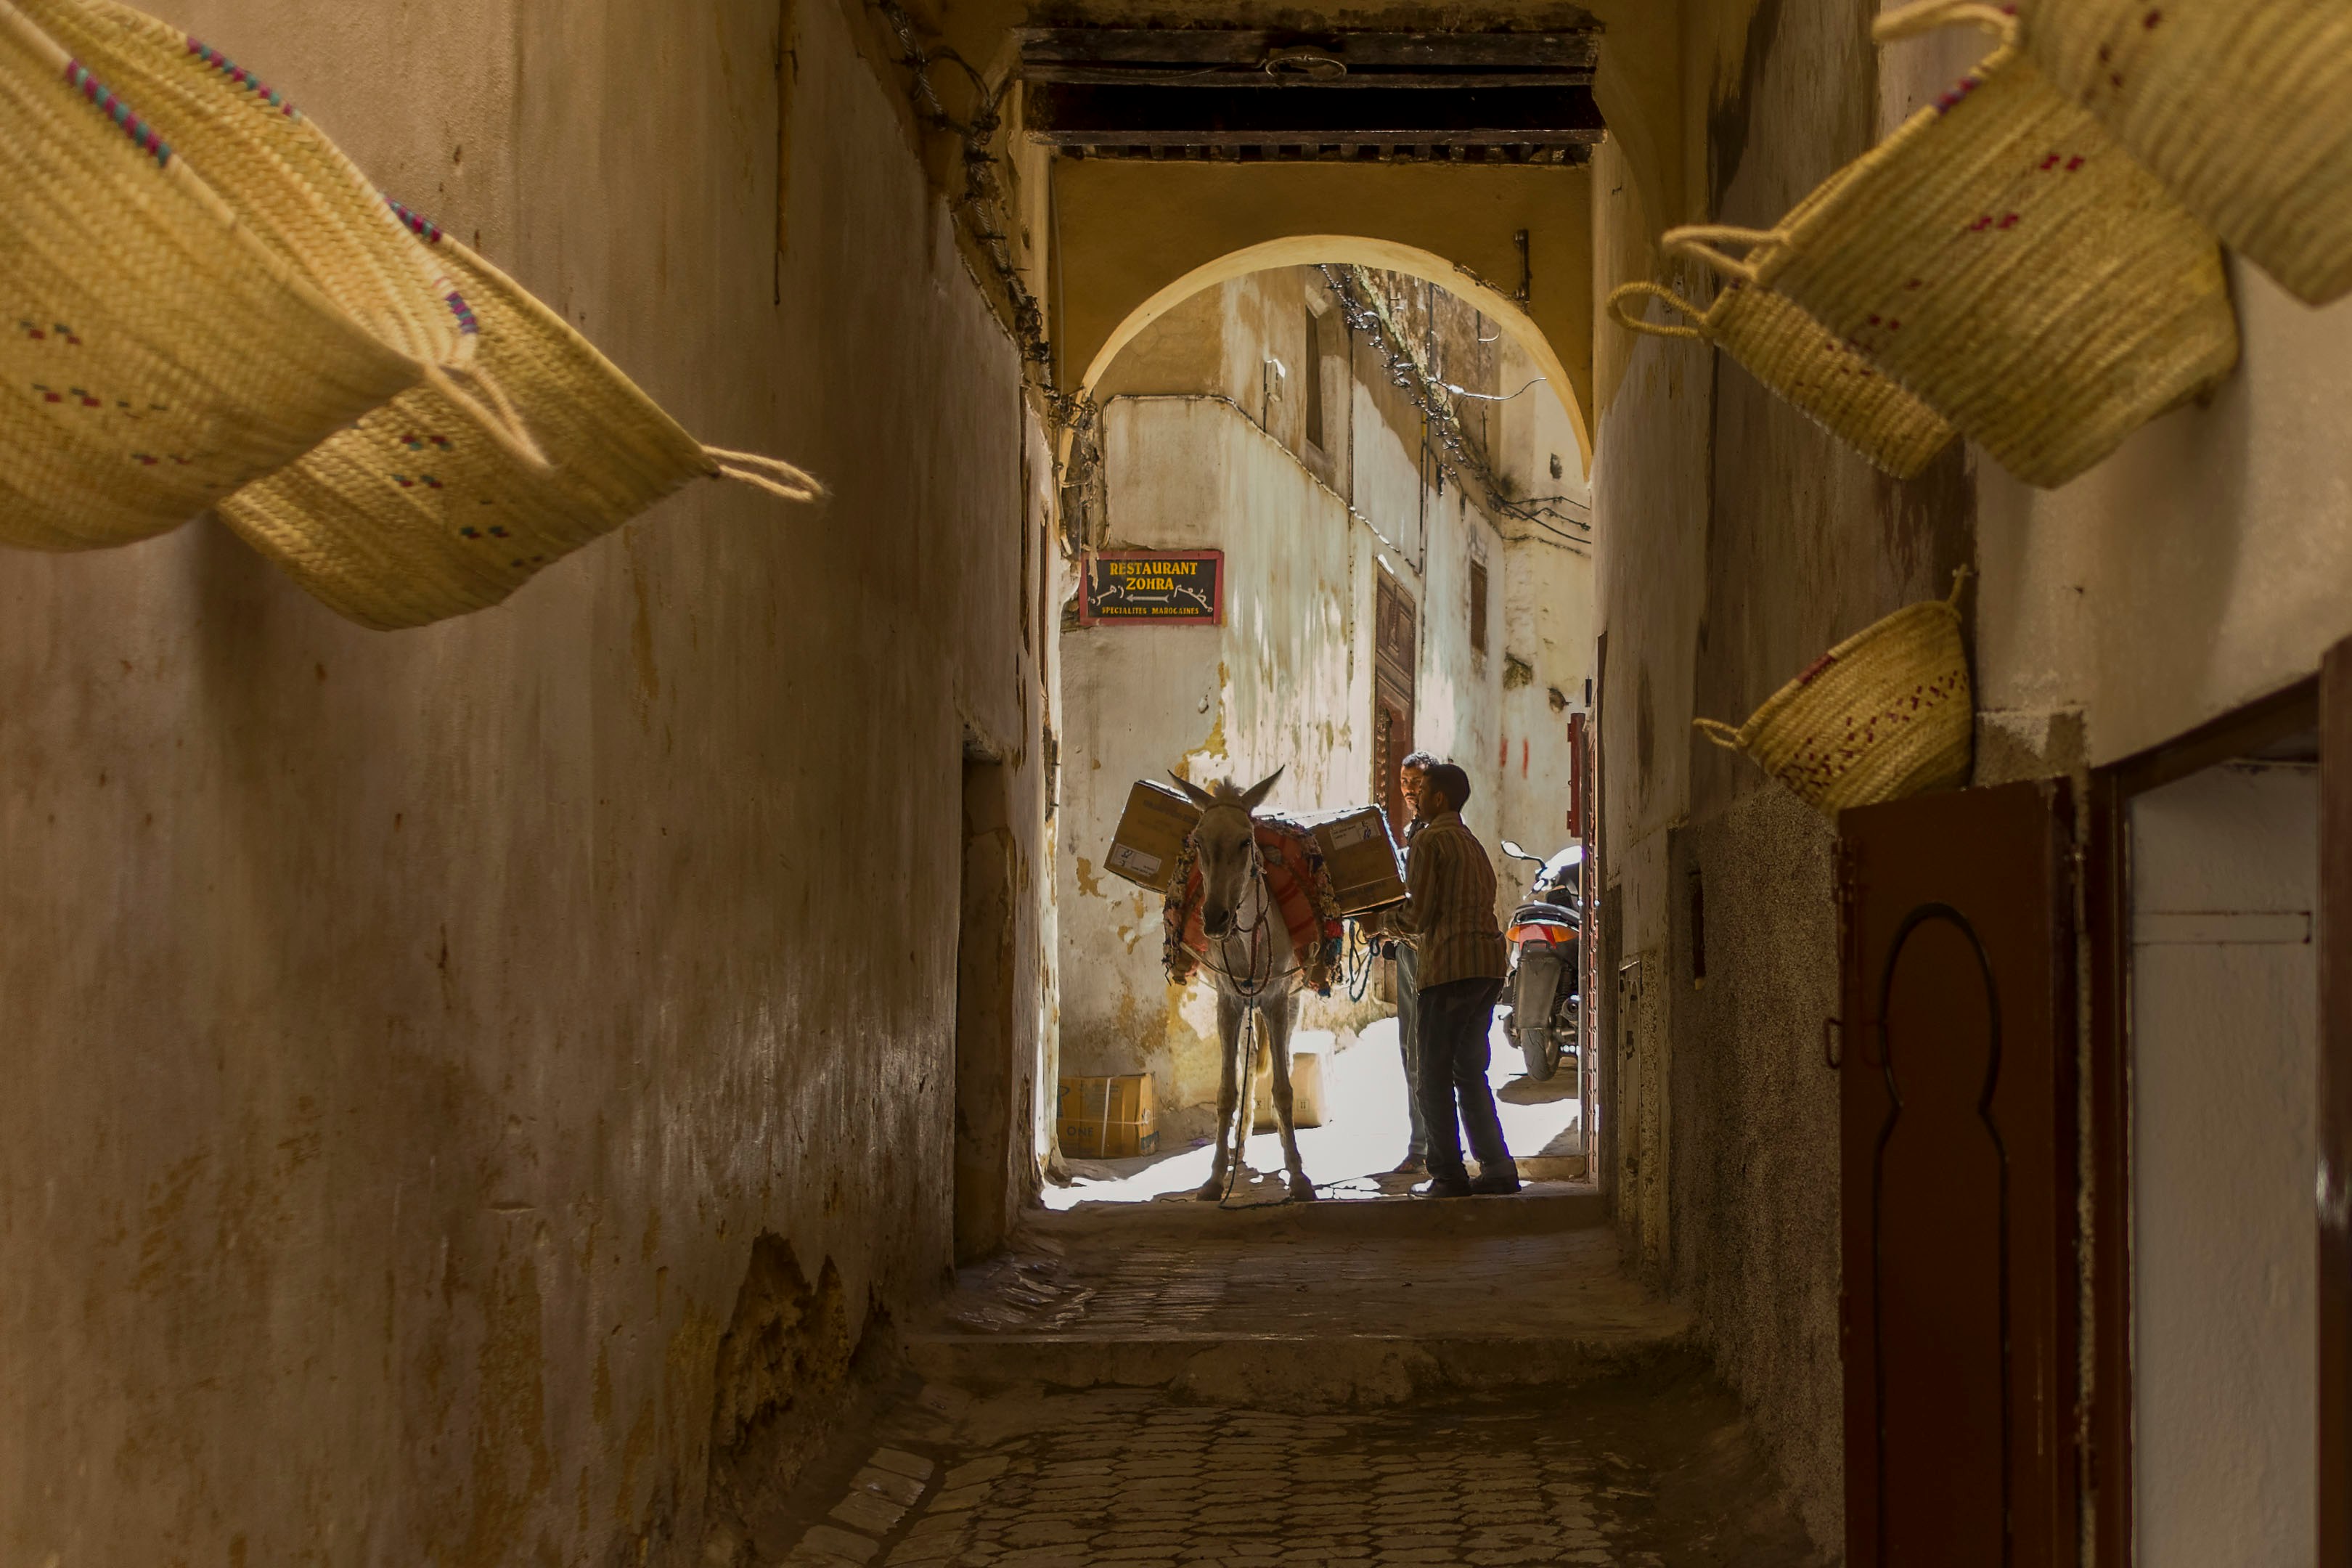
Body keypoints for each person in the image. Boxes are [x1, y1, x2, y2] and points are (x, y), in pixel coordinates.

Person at [1371, 760, 1519, 1198]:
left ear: (1438, 799)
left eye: (1422, 792)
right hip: (1487, 969)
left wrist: (1381, 922)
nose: (1414, 798)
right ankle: (1497, 1168)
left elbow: (1418, 916)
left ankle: (1449, 1175)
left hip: (1450, 970)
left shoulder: (1430, 841)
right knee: (1469, 1072)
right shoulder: (1471, 842)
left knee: (1431, 1075)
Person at [1388, 751, 1442, 1176]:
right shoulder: (1413, 834)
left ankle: (1428, 1147)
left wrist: (1385, 922)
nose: (1409, 789)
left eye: (1417, 782)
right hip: (1409, 949)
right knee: (1412, 1048)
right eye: (1405, 782)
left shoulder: (1434, 836)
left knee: (1424, 1050)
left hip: (1426, 950)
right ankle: (1423, 1143)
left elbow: (1421, 907)